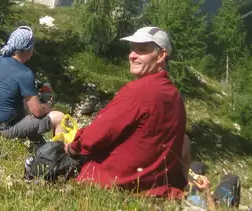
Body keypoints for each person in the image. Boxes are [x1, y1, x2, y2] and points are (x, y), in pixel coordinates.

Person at [64, 26, 190, 198]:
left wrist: (72, 147)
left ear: (161, 56)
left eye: (142, 50)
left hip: (115, 184)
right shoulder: (175, 97)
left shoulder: (138, 91)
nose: (132, 55)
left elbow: (94, 137)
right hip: (154, 188)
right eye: (132, 49)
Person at [0, 26, 65, 140]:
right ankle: (57, 154)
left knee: (24, 105)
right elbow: (37, 111)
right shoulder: (25, 73)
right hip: (1, 130)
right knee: (60, 118)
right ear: (27, 49)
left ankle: (37, 143)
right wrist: (48, 104)